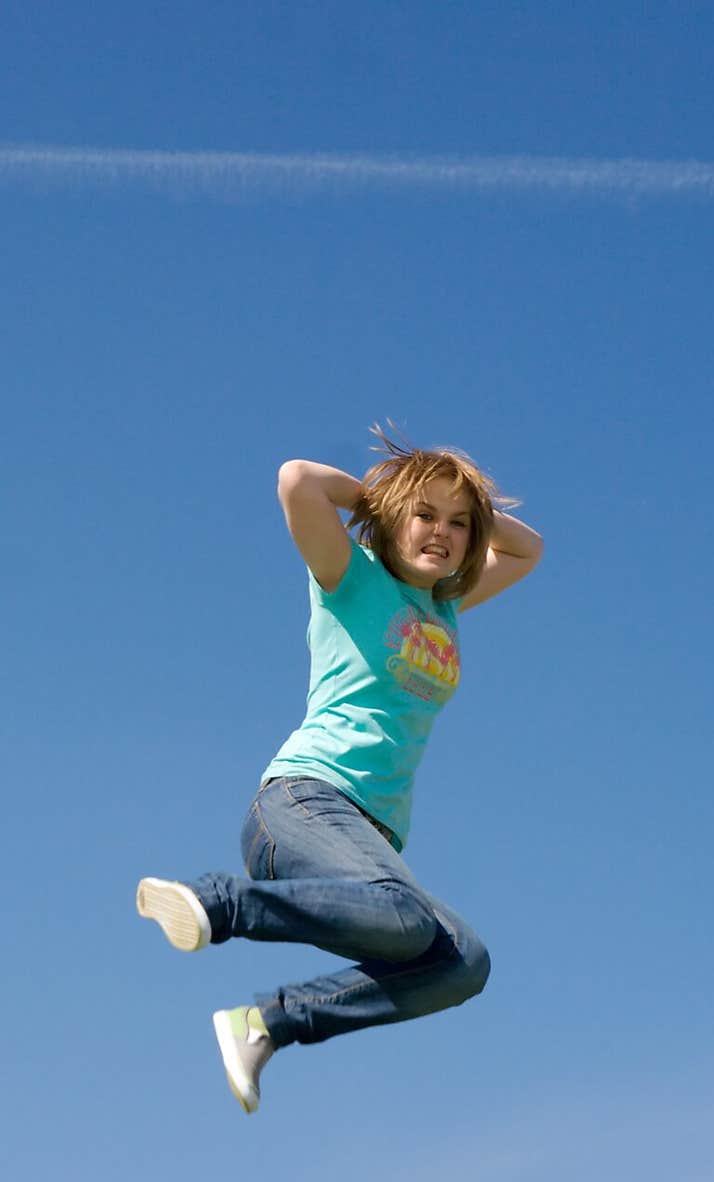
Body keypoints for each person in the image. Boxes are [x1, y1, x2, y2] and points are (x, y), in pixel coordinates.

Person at [136, 424, 543, 1113]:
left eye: (458, 524)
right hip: (303, 803)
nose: (440, 532)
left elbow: (527, 548)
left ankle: (270, 1023)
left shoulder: (445, 607)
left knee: (460, 962)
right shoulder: (351, 579)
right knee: (407, 920)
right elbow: (297, 479)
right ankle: (216, 902)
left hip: (367, 840)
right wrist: (388, 497)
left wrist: (456, 498)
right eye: (424, 516)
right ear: (393, 520)